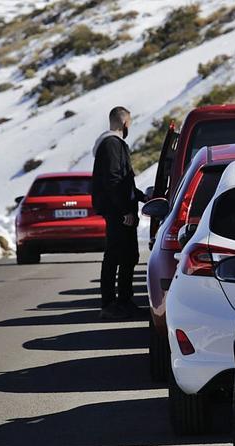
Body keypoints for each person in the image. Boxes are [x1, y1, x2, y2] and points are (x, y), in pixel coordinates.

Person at [92, 106, 146, 320]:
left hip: (122, 209)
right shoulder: (112, 145)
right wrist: (124, 210)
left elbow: (125, 182)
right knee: (114, 257)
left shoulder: (114, 145)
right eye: (129, 123)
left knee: (128, 256)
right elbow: (114, 179)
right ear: (124, 123)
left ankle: (124, 300)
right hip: (118, 213)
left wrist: (141, 196)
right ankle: (109, 303)